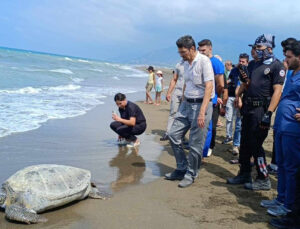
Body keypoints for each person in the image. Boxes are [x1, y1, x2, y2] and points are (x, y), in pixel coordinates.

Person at [227, 34, 285, 190]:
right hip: (248, 107)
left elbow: (277, 92)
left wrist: (269, 113)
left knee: (256, 144)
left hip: (261, 109)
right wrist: (238, 95)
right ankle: (244, 172)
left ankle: (263, 178)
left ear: (269, 48)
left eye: (259, 47)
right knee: (245, 142)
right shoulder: (253, 64)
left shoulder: (276, 66)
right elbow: (247, 84)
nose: (256, 50)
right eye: (255, 47)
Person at [165, 35, 214, 188]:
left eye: (183, 52)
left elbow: (209, 87)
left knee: (195, 143)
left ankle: (191, 173)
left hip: (201, 105)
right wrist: (182, 103)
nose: (182, 55)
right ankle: (181, 168)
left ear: (192, 49)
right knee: (173, 134)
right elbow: (187, 83)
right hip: (187, 104)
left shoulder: (204, 62)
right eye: (180, 53)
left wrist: (202, 112)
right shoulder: (184, 63)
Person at [260, 39, 300, 218]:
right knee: (281, 165)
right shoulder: (292, 73)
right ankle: (281, 198)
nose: (286, 60)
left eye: (289, 57)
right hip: (282, 125)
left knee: (291, 167)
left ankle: (289, 205)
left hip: (294, 128)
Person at [198, 39, 225, 156]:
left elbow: (221, 84)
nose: (202, 52)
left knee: (209, 127)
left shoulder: (216, 63)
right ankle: (199, 148)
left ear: (210, 48)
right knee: (199, 126)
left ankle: (204, 151)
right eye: (200, 50)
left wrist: (216, 96)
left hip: (211, 100)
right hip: (199, 98)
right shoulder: (199, 61)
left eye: (203, 50)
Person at [222, 54, 248, 157]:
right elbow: (229, 81)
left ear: (247, 62)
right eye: (240, 61)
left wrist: (240, 97)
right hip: (232, 97)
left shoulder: (249, 71)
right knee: (229, 118)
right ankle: (229, 136)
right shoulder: (234, 70)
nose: (241, 63)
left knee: (238, 124)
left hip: (243, 100)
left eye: (243, 62)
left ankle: (237, 144)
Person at [160, 60, 185, 141]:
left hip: (188, 94)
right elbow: (174, 79)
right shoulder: (179, 64)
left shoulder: (194, 63)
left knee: (184, 116)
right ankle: (167, 133)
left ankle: (180, 135)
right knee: (172, 113)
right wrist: (169, 93)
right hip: (177, 92)